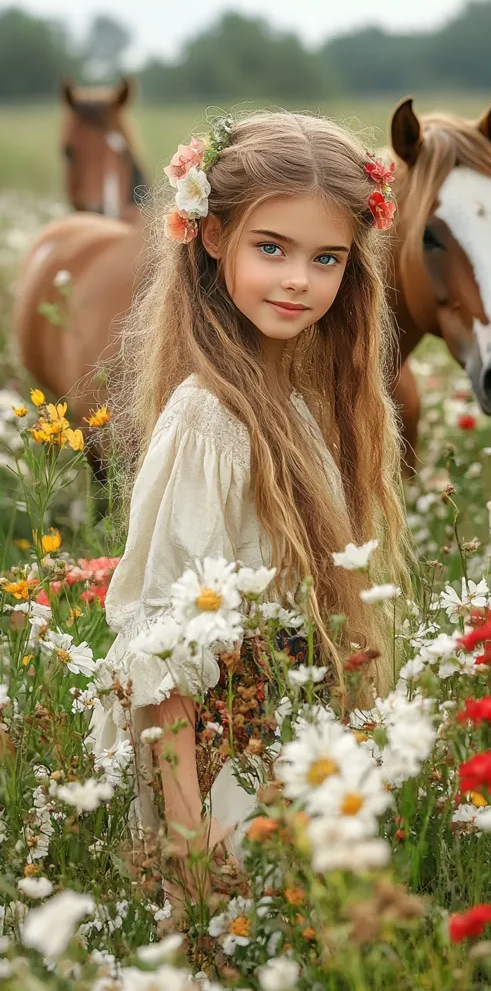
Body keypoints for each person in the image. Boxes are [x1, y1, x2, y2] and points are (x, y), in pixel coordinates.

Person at [90, 110, 408, 906]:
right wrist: (192, 844)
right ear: (211, 236)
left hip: (282, 757)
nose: (300, 279)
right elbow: (163, 651)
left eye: (326, 258)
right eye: (272, 249)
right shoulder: (206, 420)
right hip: (218, 777)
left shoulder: (297, 406)